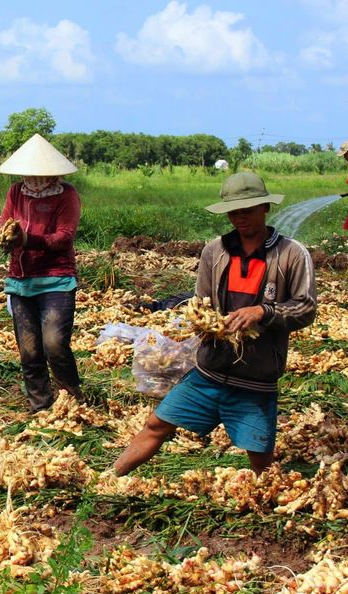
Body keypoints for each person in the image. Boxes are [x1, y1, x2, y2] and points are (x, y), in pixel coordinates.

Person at [112, 172, 316, 476]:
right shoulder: (215, 252)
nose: (239, 218)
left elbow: (306, 308)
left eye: (247, 210)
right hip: (209, 371)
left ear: (265, 208)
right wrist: (201, 324)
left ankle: (269, 504)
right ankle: (108, 479)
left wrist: (264, 312)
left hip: (255, 381)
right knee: (156, 424)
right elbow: (201, 302)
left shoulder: (291, 254)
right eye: (234, 211)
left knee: (260, 458)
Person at [0, 134, 85, 411]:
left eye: (37, 173)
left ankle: (72, 397)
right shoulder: (16, 192)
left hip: (56, 280)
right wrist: (4, 236)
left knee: (54, 343)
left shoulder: (66, 195)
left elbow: (63, 238)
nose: (32, 179)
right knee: (29, 349)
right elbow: (3, 223)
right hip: (21, 282)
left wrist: (27, 240)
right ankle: (40, 405)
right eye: (28, 174)